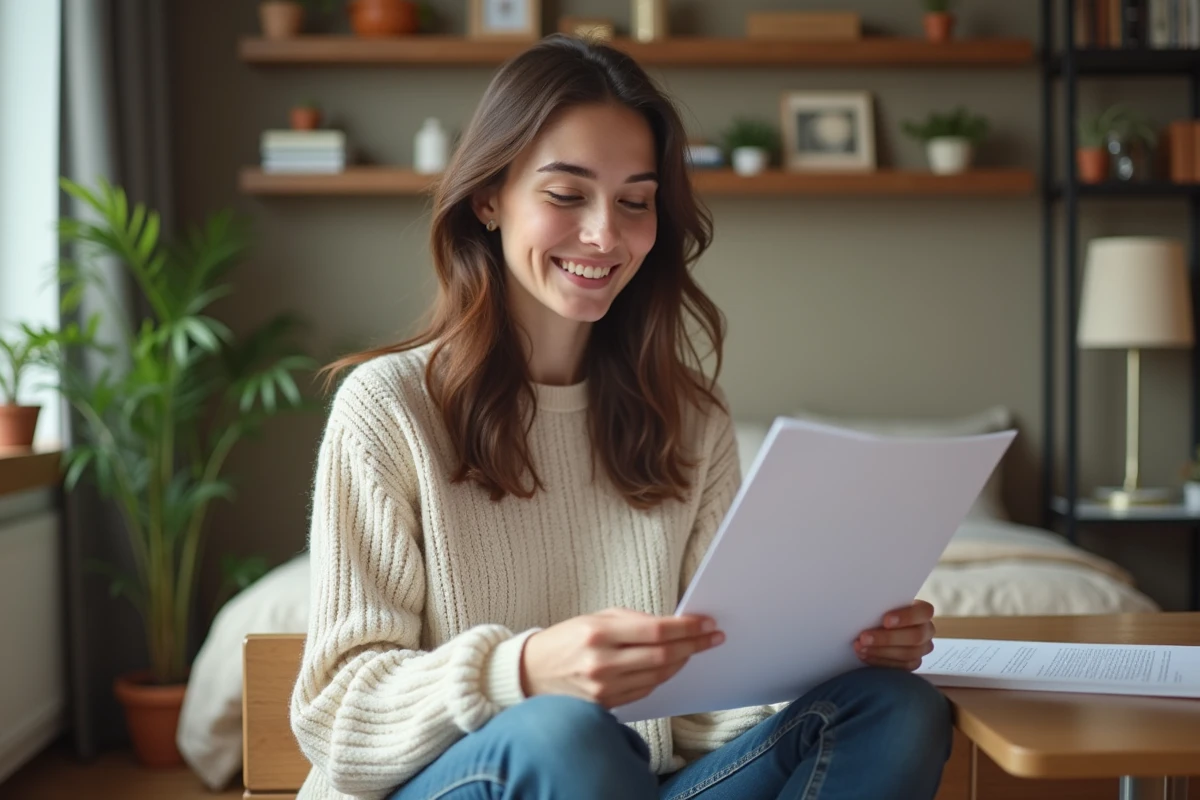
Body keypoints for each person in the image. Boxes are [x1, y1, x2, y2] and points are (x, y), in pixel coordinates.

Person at [290, 34, 952, 800]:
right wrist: (525, 671)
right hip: (474, 778)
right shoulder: (387, 407)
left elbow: (705, 712)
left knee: (895, 707)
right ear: (488, 198)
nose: (605, 234)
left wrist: (836, 652)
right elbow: (338, 713)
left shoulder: (690, 418)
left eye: (636, 202)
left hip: (645, 784)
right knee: (566, 733)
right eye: (567, 194)